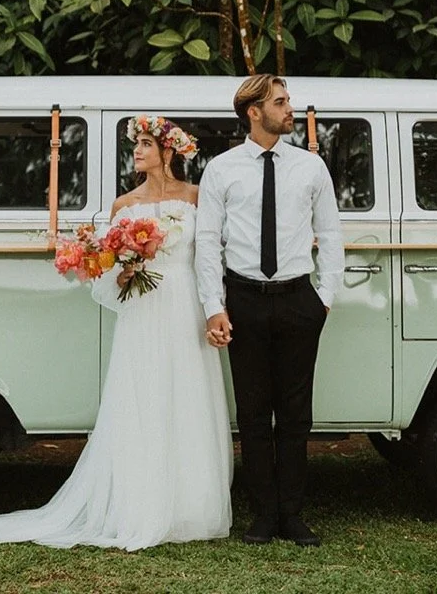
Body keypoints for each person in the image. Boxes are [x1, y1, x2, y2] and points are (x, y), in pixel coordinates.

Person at [0, 115, 232, 551]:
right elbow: (109, 273)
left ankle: (189, 507)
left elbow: (209, 258)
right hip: (143, 311)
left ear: (168, 151)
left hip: (185, 304)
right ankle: (139, 505)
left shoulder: (195, 197)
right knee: (142, 397)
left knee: (187, 394)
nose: (138, 152)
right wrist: (124, 269)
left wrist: (214, 309)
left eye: (145, 144)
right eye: (136, 145)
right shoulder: (123, 206)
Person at [194, 75, 343, 547]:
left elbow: (331, 235)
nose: (289, 108)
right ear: (254, 112)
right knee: (254, 413)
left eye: (288, 100)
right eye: (280, 102)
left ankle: (292, 515)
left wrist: (324, 298)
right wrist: (214, 306)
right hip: (244, 300)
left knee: (296, 415)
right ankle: (262, 515)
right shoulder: (221, 170)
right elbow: (206, 241)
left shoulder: (310, 167)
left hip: (298, 299)